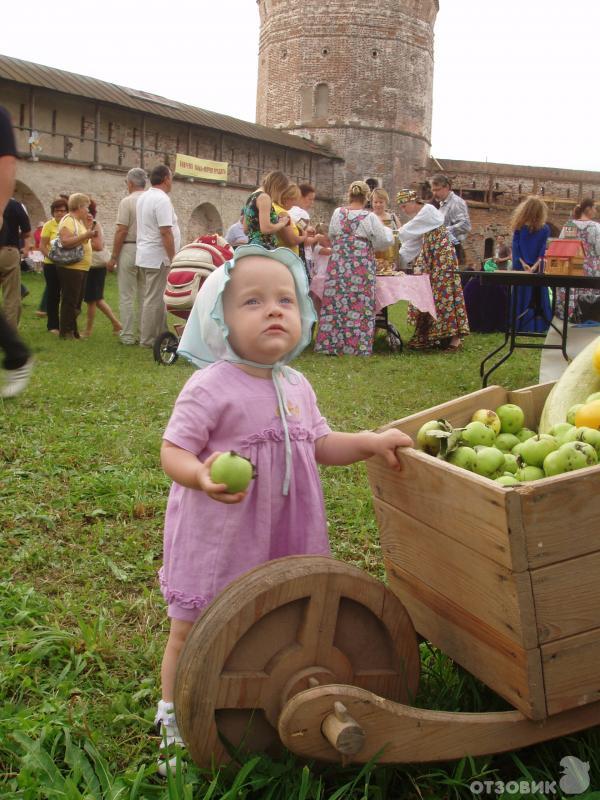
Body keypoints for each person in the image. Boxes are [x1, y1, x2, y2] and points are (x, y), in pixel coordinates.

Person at [154, 243, 412, 774]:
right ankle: (175, 720)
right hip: (221, 533)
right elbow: (172, 451)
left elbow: (318, 444)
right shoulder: (210, 386)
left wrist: (365, 441)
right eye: (252, 302)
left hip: (284, 532)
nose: (274, 309)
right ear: (218, 322)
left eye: (285, 300)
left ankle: (250, 705)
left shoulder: (297, 385)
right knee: (193, 627)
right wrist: (201, 475)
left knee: (277, 620)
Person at [314, 180, 393, 356]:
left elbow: (333, 234)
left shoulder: (337, 213)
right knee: (359, 301)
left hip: (339, 261)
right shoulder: (370, 217)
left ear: (349, 195)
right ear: (367, 197)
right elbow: (382, 241)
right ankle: (357, 345)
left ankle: (331, 344)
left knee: (336, 301)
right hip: (361, 262)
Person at [397, 188, 469, 352]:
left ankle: (455, 339)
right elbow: (411, 244)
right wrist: (395, 259)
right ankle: (430, 335)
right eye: (400, 207)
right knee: (427, 292)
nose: (403, 209)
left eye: (405, 205)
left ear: (415, 201)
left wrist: (389, 236)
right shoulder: (420, 220)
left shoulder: (427, 211)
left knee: (446, 292)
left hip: (442, 256)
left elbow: (406, 231)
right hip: (430, 256)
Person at [0, 104, 33, 398]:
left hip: (8, 250)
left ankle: (16, 351)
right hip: (10, 250)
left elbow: (6, 163)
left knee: (12, 294)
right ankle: (16, 351)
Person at [135, 165, 181, 348]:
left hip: (148, 253)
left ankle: (161, 333)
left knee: (157, 298)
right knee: (154, 299)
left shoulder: (144, 197)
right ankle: (147, 339)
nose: (172, 182)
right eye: (171, 178)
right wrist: (173, 258)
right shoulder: (161, 199)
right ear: (165, 179)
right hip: (158, 256)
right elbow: (165, 232)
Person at [107, 167, 147, 345]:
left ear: (130, 183)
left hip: (130, 247)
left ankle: (128, 334)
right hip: (148, 249)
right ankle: (145, 333)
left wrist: (114, 256)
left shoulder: (127, 202)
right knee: (145, 294)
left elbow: (121, 229)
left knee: (127, 294)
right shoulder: (152, 200)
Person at [57, 193, 98, 339]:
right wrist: (85, 235)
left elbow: (82, 241)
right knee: (70, 300)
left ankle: (72, 331)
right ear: (79, 206)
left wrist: (87, 230)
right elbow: (65, 242)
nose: (88, 210)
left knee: (76, 302)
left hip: (80, 267)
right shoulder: (68, 221)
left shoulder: (78, 222)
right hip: (72, 267)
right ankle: (66, 332)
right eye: (86, 207)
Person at [510, 196, 552, 333]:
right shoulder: (544, 229)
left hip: (523, 267)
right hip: (534, 267)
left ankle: (520, 324)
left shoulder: (519, 227)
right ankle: (538, 325)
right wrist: (534, 266)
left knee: (522, 295)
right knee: (537, 295)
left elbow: (516, 248)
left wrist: (524, 264)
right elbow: (542, 250)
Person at [81, 200, 122, 338]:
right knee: (96, 299)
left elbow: (98, 245)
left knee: (92, 299)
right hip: (89, 265)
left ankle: (88, 331)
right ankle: (116, 324)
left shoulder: (93, 224)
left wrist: (81, 241)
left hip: (95, 265)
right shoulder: (83, 223)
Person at [556, 198, 600, 320]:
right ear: (589, 209)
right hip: (590, 270)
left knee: (572, 291)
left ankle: (570, 315)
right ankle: (587, 316)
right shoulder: (596, 227)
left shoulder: (569, 225)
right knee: (588, 293)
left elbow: (561, 247)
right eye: (595, 208)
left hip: (572, 267)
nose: (596, 211)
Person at [0, 195, 32, 330]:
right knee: (11, 295)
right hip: (7, 250)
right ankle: (8, 333)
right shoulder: (14, 205)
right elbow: (27, 231)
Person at [39, 198, 69, 333]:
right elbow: (42, 245)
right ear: (53, 212)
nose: (60, 213)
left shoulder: (70, 224)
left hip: (68, 265)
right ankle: (53, 325)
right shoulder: (48, 225)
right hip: (51, 265)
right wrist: (52, 258)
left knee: (68, 295)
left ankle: (66, 324)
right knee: (53, 294)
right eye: (57, 211)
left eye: (63, 211)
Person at [430, 174, 471, 265]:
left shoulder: (456, 202)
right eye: (433, 190)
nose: (434, 193)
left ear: (447, 187)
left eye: (437, 189)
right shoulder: (442, 204)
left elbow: (466, 225)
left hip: (453, 250)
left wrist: (443, 231)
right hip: (443, 250)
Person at [243, 170, 290, 249]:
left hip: (252, 246)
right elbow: (266, 228)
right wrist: (282, 223)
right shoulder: (264, 197)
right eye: (281, 191)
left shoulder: (251, 197)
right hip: (264, 248)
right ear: (278, 187)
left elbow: (245, 229)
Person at [371, 188, 400, 274]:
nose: (378, 205)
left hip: (391, 258)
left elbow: (399, 235)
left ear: (386, 202)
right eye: (375, 202)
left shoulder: (393, 218)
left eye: (381, 202)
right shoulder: (369, 218)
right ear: (372, 202)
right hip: (374, 257)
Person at [273, 183, 308, 255]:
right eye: (294, 199)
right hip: (286, 256)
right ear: (287, 198)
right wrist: (304, 236)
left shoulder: (274, 207)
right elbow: (291, 240)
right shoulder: (283, 214)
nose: (295, 203)